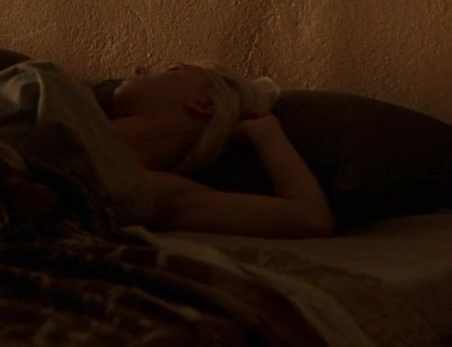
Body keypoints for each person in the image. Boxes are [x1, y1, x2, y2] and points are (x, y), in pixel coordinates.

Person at [108, 63, 334, 238]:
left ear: (202, 104)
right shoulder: (86, 113)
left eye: (173, 69)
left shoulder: (151, 190)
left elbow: (310, 218)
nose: (140, 68)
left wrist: (267, 133)